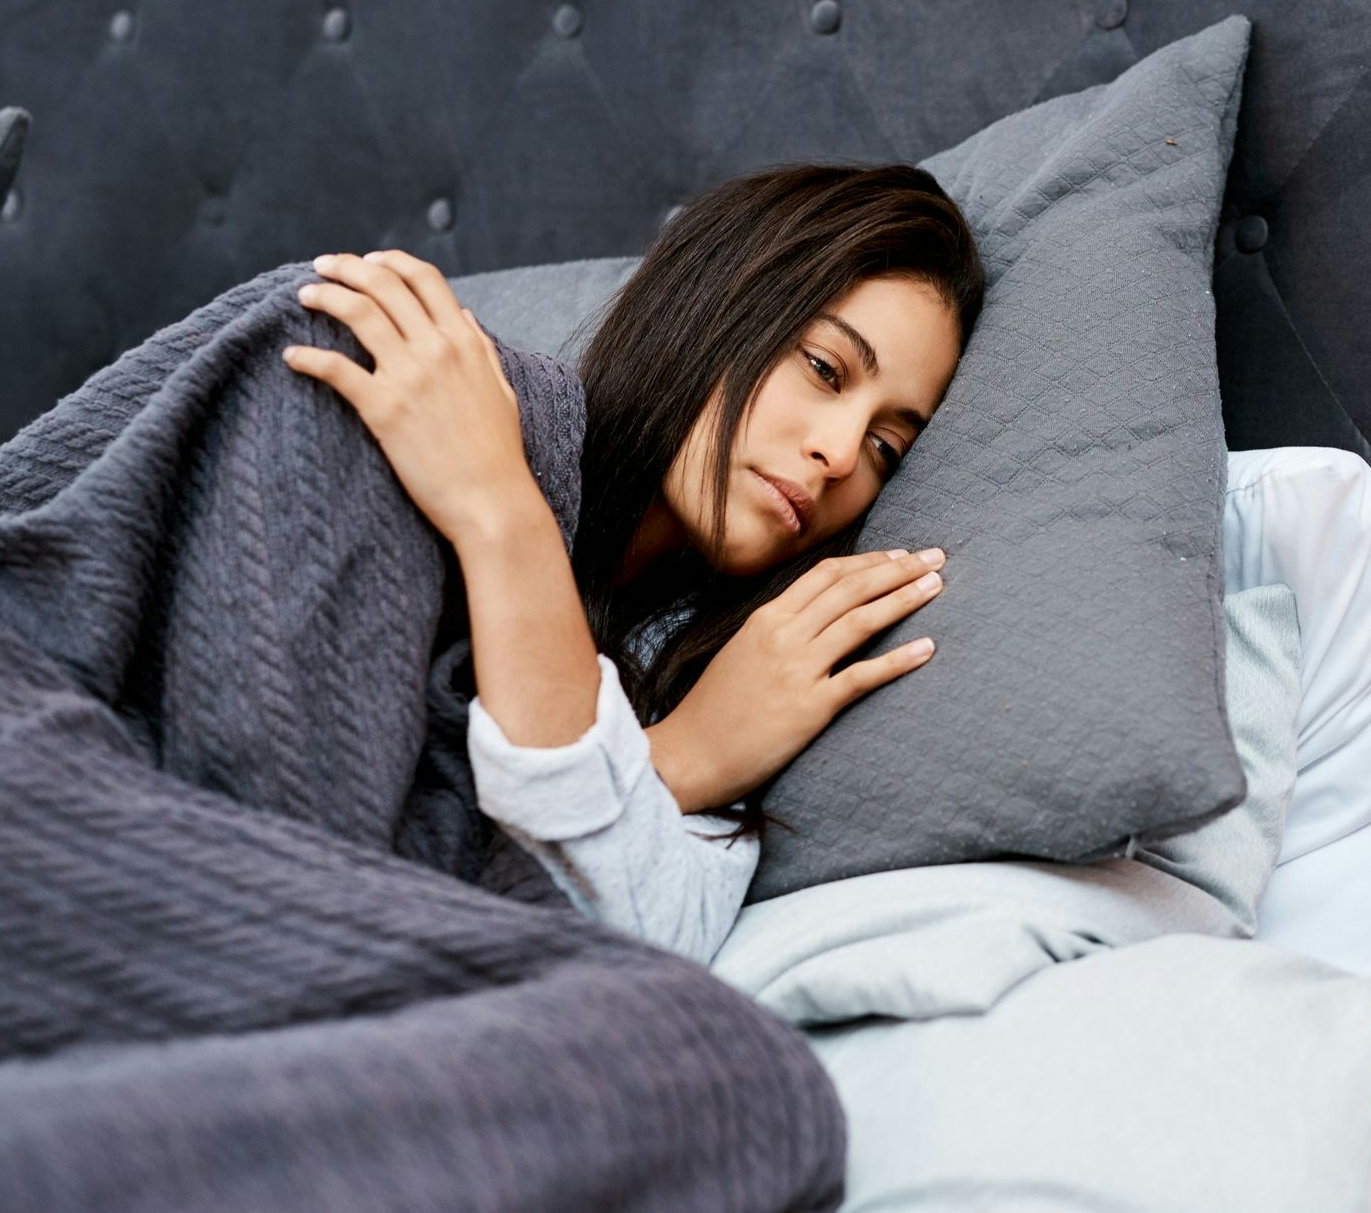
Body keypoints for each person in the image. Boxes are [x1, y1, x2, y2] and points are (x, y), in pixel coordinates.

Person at [281, 163, 986, 964]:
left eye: (885, 447)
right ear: (715, 298)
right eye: (824, 369)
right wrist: (501, 504)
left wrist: (686, 752)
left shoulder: (736, 680)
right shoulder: (452, 398)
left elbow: (644, 952)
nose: (836, 454)